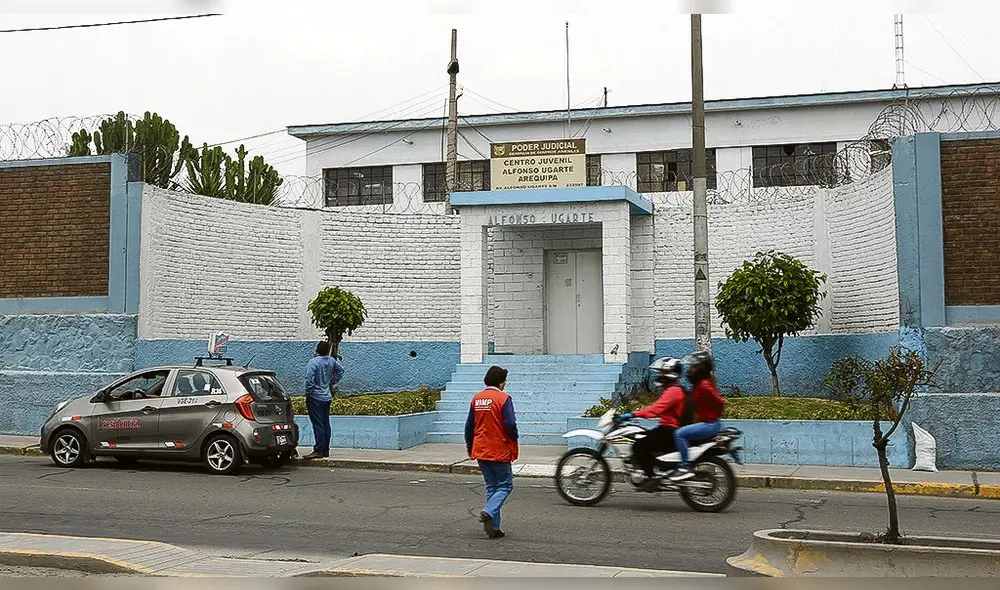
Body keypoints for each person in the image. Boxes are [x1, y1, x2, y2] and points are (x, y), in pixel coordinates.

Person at [616, 357, 687, 492]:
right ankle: (656, 470)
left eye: (661, 373)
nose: (659, 376)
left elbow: (656, 409)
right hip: (668, 428)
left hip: (669, 430)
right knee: (644, 438)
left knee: (638, 447)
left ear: (668, 374)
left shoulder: (673, 391)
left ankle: (652, 477)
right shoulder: (674, 389)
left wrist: (632, 414)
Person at [465, 365, 518, 539]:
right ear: (501, 382)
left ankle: (494, 528)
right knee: (505, 485)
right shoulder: (503, 398)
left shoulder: (477, 398)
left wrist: (470, 446)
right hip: (498, 448)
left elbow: (469, 426)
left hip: (480, 448)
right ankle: (488, 510)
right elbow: (510, 424)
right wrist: (514, 438)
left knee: (492, 487)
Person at [668, 351, 726, 481]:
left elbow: (720, 402)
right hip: (706, 422)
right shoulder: (699, 385)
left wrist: (711, 414)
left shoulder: (704, 385)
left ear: (701, 369)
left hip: (709, 424)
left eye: (693, 368)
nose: (690, 371)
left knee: (679, 434)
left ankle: (685, 467)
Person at [301, 341, 345, 460]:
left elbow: (309, 379)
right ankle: (325, 449)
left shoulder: (313, 362)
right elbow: (341, 371)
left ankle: (318, 449)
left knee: (318, 424)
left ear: (317, 349)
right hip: (327, 396)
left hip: (315, 397)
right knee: (326, 423)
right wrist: (332, 382)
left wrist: (308, 392)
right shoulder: (331, 361)